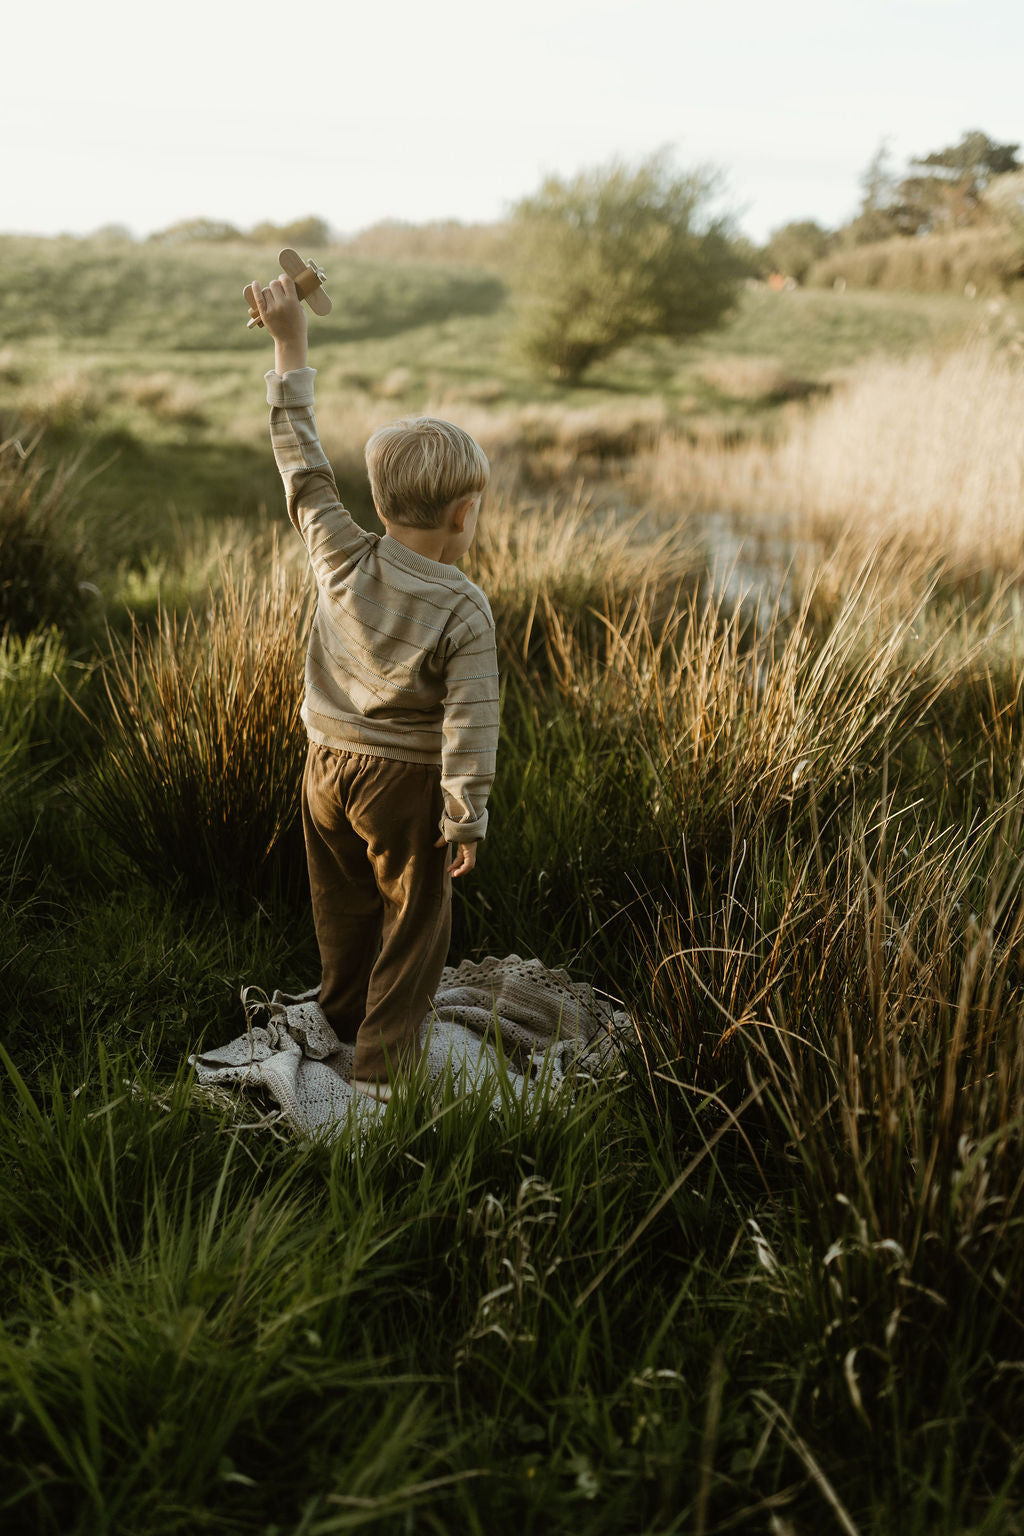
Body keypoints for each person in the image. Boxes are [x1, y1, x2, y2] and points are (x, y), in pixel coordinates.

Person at [249, 271, 499, 1103]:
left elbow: (302, 465)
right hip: (404, 783)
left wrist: (290, 345)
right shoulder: (465, 606)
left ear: (381, 500)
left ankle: (341, 1014)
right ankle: (384, 1073)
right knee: (415, 921)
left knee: (343, 902)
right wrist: (465, 814)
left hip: (324, 766)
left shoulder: (339, 552)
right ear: (464, 514)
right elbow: (470, 722)